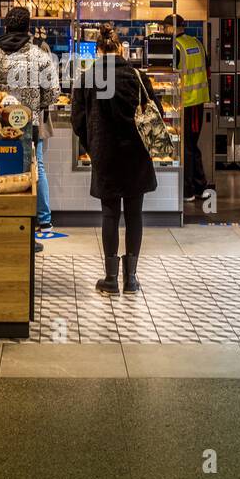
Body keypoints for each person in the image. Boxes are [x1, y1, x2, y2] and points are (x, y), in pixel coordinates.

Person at [71, 24, 158, 295]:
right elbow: (155, 113)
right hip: (136, 156)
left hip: (105, 155)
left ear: (98, 50)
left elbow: (78, 121)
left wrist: (93, 146)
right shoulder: (138, 76)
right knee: (134, 214)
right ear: (120, 48)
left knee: (110, 214)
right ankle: (131, 279)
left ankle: (110, 279)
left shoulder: (87, 78)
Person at [0, 6, 59, 237]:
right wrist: (33, 107)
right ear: (29, 28)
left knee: (0, 170)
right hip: (31, 125)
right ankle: (43, 222)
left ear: (5, 26)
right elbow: (53, 94)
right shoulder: (40, 56)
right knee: (34, 170)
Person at [164, 14, 209, 201]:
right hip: (199, 101)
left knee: (186, 147)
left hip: (186, 102)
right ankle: (200, 186)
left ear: (170, 28)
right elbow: (206, 67)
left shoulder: (175, 46)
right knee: (192, 144)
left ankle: (188, 190)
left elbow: (170, 74)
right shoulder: (197, 43)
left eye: (165, 28)